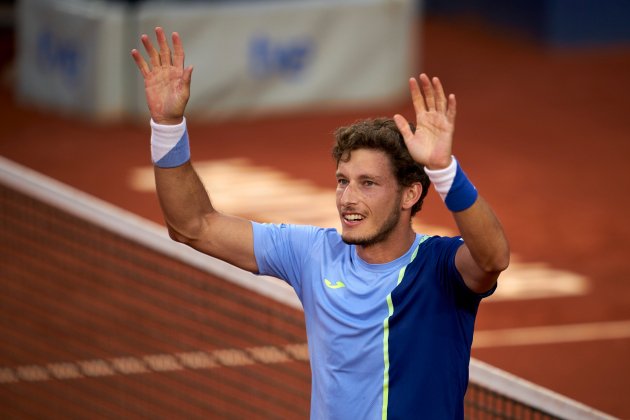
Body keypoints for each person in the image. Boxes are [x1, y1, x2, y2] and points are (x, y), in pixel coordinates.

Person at [131, 27, 510, 420]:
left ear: (410, 194)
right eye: (343, 181)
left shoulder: (439, 268)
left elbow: (492, 258)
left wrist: (444, 170)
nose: (348, 198)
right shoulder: (313, 254)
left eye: (368, 184)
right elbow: (193, 225)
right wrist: (167, 125)